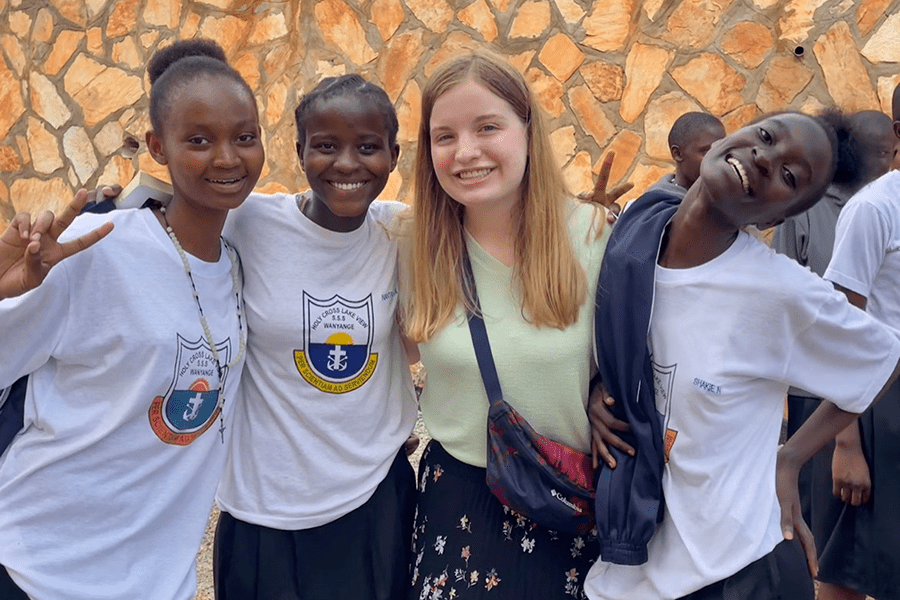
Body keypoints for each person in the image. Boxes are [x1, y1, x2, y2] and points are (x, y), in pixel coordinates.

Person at [584, 111, 900, 600]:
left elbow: (882, 358)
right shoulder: (635, 232)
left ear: (776, 217)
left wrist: (791, 458)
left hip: (738, 570)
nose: (764, 158)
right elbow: (611, 353)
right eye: (766, 137)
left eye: (788, 177)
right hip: (635, 565)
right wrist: (596, 392)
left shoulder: (777, 292)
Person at [0, 38, 264, 600]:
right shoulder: (92, 249)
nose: (226, 157)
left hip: (156, 584)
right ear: (156, 146)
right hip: (37, 573)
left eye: (244, 137)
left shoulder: (241, 264)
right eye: (198, 140)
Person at [400, 52, 612, 599]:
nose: (465, 152)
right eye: (443, 136)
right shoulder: (411, 247)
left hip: (569, 500)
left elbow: (643, 363)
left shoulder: (596, 236)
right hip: (459, 504)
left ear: (526, 127)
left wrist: (600, 391)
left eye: (487, 127)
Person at [212, 74, 419, 600]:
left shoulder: (404, 234)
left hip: (374, 502)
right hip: (264, 510)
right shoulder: (246, 221)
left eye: (368, 147)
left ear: (393, 155)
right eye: (326, 146)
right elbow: (165, 215)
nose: (347, 164)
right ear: (299, 150)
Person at [771, 108, 894, 532]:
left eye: (886, 152)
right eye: (874, 151)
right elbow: (840, 329)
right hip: (832, 396)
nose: (881, 161)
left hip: (866, 392)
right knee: (832, 538)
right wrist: (846, 441)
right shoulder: (864, 210)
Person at [815, 90, 900, 600]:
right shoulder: (874, 209)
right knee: (848, 571)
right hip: (877, 410)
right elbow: (839, 325)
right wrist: (845, 444)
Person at [649, 111, 725, 199]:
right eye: (706, 153)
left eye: (721, 150)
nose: (718, 159)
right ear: (678, 154)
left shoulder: (726, 197)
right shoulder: (657, 205)